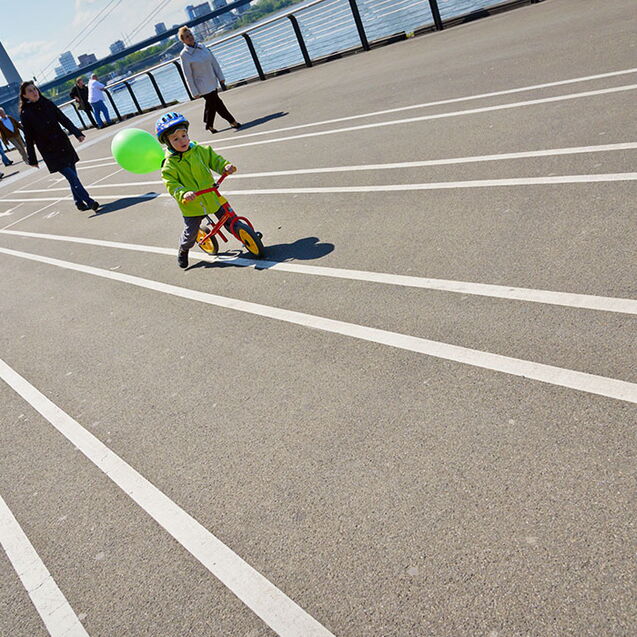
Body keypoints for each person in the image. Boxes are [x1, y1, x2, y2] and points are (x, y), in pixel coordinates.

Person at [157, 111, 236, 268]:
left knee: (230, 218)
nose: (182, 140)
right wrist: (183, 193)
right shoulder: (169, 164)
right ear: (168, 142)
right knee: (191, 233)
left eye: (184, 135)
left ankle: (245, 236)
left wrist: (224, 166)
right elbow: (171, 184)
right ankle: (183, 249)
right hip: (192, 205)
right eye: (175, 139)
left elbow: (214, 159)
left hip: (211, 195)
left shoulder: (199, 150)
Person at [19, 81, 99, 211]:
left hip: (63, 144)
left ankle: (78, 202)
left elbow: (63, 119)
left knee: (73, 176)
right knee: (71, 177)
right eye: (30, 91)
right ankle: (89, 201)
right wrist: (32, 159)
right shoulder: (25, 113)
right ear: (25, 95)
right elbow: (28, 138)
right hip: (50, 151)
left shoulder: (48, 103)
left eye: (35, 89)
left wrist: (77, 133)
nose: (34, 92)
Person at [178, 26, 241, 134]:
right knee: (218, 103)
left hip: (212, 80)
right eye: (187, 37)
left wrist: (221, 77)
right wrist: (194, 92)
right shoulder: (184, 55)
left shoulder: (202, 47)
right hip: (202, 85)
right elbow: (188, 75)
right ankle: (232, 122)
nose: (190, 37)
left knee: (211, 104)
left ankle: (209, 125)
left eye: (190, 35)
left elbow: (213, 62)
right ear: (183, 40)